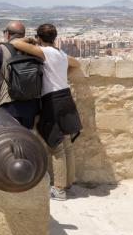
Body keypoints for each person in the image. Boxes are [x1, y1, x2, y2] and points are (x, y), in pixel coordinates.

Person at [10, 23, 82, 201]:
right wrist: (64, 77)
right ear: (55, 37)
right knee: (66, 143)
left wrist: (31, 41)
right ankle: (69, 182)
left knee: (56, 145)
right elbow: (76, 64)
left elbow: (16, 44)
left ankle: (59, 190)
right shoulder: (60, 54)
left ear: (40, 38)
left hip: (53, 100)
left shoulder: (45, 53)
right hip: (66, 97)